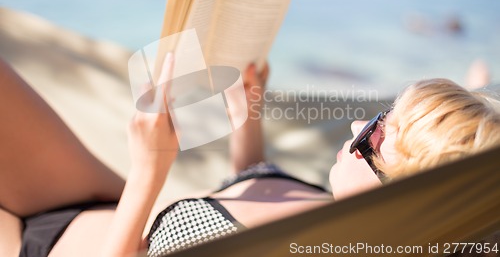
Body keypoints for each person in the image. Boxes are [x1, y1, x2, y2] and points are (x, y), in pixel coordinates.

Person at [0, 55, 499, 257]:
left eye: (374, 132)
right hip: (96, 200)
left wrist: (150, 171)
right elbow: (249, 193)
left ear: (398, 196)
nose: (353, 126)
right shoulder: (342, 222)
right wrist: (248, 114)